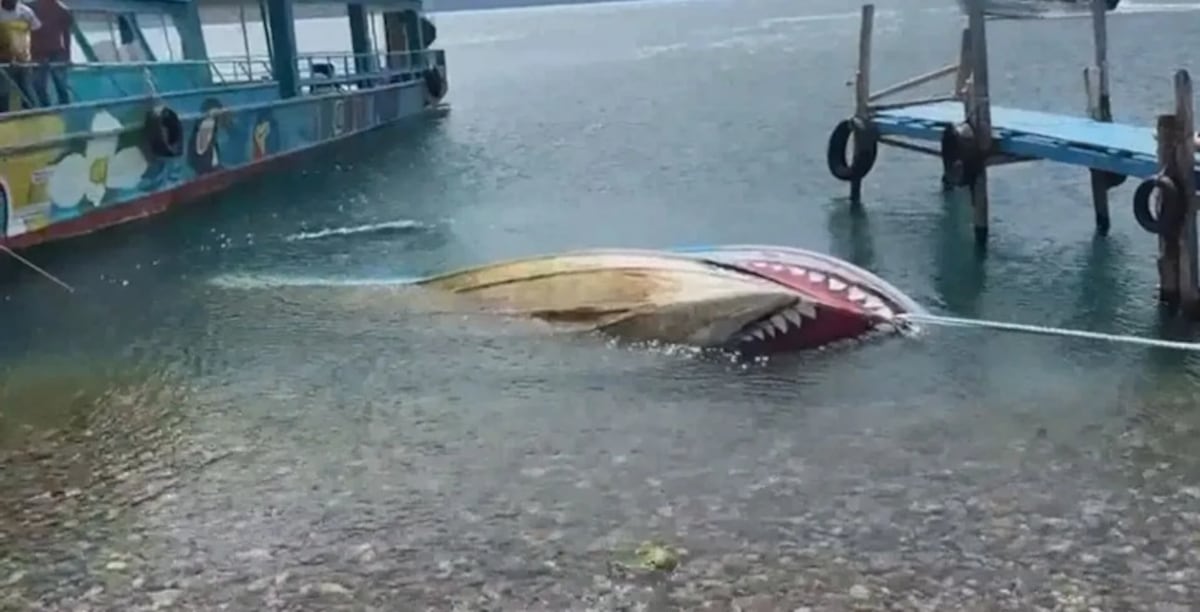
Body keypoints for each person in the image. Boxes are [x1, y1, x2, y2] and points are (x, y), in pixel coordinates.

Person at [0, 0, 41, 112]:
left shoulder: (26, 12)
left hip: (24, 59)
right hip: (3, 61)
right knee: (3, 91)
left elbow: (36, 31)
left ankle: (32, 115)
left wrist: (36, 55)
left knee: (26, 88)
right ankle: (4, 117)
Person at [28, 0, 69, 106]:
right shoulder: (31, 8)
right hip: (38, 53)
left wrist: (67, 55)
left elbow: (66, 33)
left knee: (61, 86)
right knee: (39, 86)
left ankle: (65, 108)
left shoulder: (62, 10)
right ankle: (46, 109)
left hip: (56, 52)